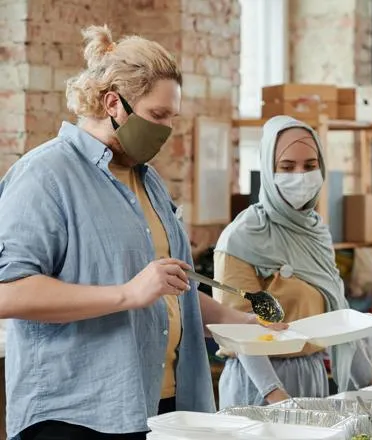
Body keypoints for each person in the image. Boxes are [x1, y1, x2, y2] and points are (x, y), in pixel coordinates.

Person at [0, 25, 283, 440]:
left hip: (158, 407)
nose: (166, 131)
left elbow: (169, 290)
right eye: (157, 116)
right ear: (113, 102)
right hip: (76, 416)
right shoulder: (44, 176)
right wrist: (127, 294)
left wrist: (240, 324)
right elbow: (9, 292)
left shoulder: (147, 181)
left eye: (172, 117)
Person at [212, 115, 372, 408]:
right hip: (259, 386)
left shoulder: (315, 231)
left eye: (310, 166)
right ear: (268, 168)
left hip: (311, 375)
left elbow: (338, 312)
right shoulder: (242, 237)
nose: (301, 176)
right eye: (287, 167)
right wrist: (276, 396)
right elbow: (239, 332)